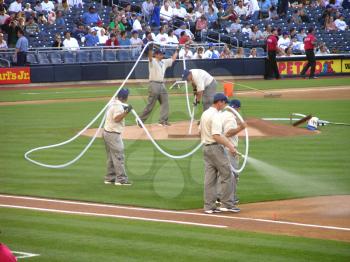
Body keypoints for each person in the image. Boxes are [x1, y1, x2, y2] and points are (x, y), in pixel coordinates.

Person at [199, 93, 238, 214]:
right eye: (224, 103)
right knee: (228, 175)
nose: (225, 106)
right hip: (215, 148)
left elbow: (199, 130)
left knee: (210, 178)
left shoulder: (205, 113)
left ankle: (209, 206)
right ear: (219, 102)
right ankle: (227, 204)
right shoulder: (215, 116)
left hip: (206, 148)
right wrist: (230, 146)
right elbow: (216, 136)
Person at [138, 46, 178, 126]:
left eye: (162, 54)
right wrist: (150, 49)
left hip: (162, 84)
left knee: (165, 102)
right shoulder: (152, 61)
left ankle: (163, 120)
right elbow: (150, 56)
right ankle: (140, 120)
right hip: (154, 84)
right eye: (160, 54)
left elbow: (173, 59)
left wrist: (177, 50)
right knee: (151, 104)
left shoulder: (164, 62)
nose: (162, 55)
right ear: (155, 54)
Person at [103, 88, 133, 186]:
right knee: (119, 156)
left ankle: (109, 177)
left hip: (107, 132)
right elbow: (116, 118)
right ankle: (121, 179)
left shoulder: (113, 102)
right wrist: (126, 112)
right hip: (113, 134)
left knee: (112, 157)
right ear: (125, 97)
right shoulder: (118, 106)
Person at [220, 99, 247, 206]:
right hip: (229, 149)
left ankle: (219, 196)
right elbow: (228, 133)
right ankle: (230, 198)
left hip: (222, 147)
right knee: (232, 175)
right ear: (237, 108)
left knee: (222, 175)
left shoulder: (223, 115)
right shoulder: (230, 118)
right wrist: (241, 127)